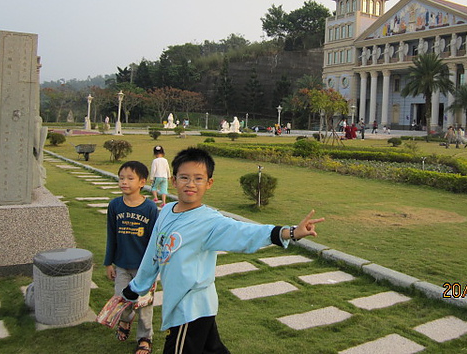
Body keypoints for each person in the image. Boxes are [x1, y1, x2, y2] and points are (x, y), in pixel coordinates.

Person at [122, 148, 324, 354]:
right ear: (174, 180)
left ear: (209, 183)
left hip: (190, 308)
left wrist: (289, 232)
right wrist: (137, 287)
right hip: (192, 306)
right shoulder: (165, 211)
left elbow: (246, 232)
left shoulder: (210, 222)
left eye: (198, 178)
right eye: (184, 177)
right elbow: (153, 253)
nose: (190, 184)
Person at [104, 161, 159, 354]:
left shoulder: (150, 208)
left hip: (144, 269)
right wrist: (108, 263)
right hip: (122, 265)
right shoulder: (115, 205)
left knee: (144, 306)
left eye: (129, 178)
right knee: (122, 301)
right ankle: (125, 321)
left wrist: (154, 268)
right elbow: (111, 235)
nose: (124, 182)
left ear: (142, 182)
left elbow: (154, 242)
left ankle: (145, 338)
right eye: (121, 178)